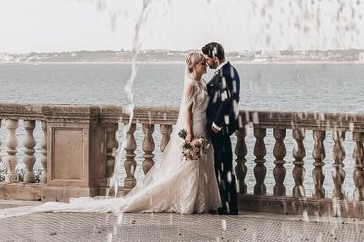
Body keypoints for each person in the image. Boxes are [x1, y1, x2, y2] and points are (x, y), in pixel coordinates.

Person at [35, 52, 221, 214]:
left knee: (199, 165)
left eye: (205, 63)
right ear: (194, 65)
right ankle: (186, 201)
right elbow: (187, 111)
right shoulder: (190, 85)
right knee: (190, 166)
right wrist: (189, 133)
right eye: (203, 63)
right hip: (194, 128)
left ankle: (197, 201)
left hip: (202, 125)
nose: (206, 66)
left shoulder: (201, 83)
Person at [202, 42, 241, 215]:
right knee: (219, 165)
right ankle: (222, 204)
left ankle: (229, 207)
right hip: (218, 127)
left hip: (221, 128)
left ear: (215, 58)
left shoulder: (227, 73)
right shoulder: (223, 72)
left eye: (207, 59)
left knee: (224, 166)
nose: (207, 62)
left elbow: (229, 101)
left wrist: (217, 124)